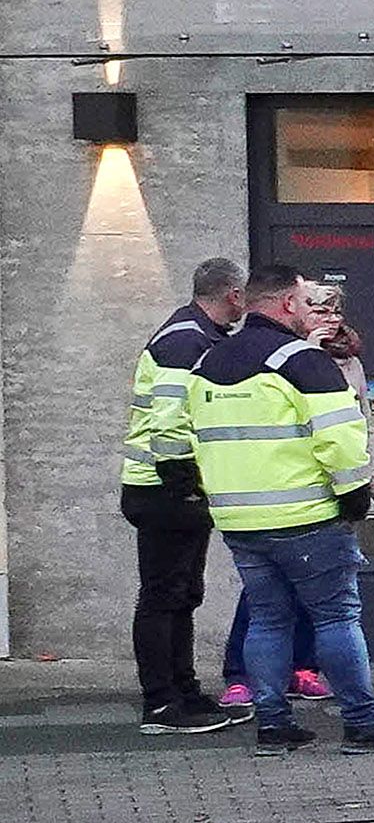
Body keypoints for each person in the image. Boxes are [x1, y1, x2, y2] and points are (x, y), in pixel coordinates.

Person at [193, 260, 374, 756]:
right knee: (337, 618)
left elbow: (195, 439)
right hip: (307, 518)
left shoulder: (209, 362)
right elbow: (342, 442)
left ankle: (273, 725)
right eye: (303, 299)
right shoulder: (303, 362)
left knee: (268, 621)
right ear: (289, 303)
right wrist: (355, 497)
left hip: (239, 521)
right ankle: (363, 723)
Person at [120, 258, 247, 734]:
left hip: (169, 488)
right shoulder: (184, 340)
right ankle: (161, 702)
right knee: (163, 595)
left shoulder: (195, 336)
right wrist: (184, 486)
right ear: (232, 295)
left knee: (183, 594)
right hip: (163, 488)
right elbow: (169, 420)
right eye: (242, 297)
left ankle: (184, 690)